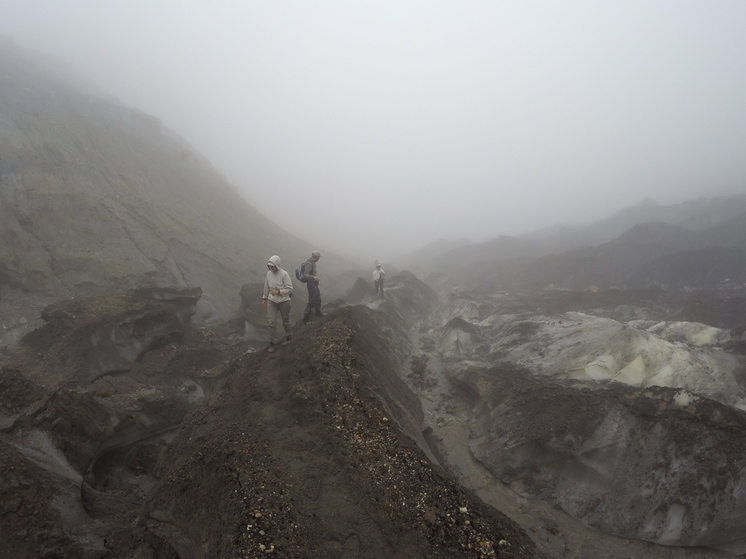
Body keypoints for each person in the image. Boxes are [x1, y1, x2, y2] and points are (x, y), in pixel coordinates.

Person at [262, 255, 293, 353]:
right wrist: (264, 298)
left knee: (285, 321)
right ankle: (272, 343)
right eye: (269, 266)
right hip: (272, 301)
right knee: (271, 323)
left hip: (284, 301)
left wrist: (279, 292)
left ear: (277, 265)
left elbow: (290, 288)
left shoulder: (284, 274)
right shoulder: (268, 274)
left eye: (273, 266)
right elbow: (266, 286)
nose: (271, 268)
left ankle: (289, 336)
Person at [301, 250, 325, 324]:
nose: (319, 259)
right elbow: (305, 275)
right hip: (311, 284)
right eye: (318, 257)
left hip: (314, 284)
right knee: (312, 301)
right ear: (316, 257)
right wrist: (314, 277)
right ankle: (306, 319)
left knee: (318, 299)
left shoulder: (313, 263)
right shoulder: (309, 263)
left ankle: (318, 314)